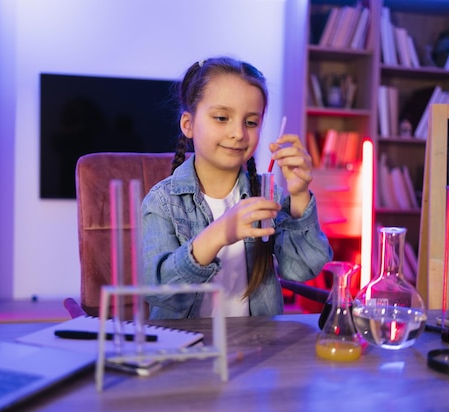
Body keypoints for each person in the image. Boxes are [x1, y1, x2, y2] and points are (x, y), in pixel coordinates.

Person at [142, 56, 332, 319]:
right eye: (221, 118)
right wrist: (217, 233)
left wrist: (299, 196)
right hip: (187, 350)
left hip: (256, 348)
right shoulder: (162, 202)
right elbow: (158, 292)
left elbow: (303, 268)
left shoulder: (268, 198)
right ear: (188, 124)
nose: (238, 133)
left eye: (251, 122)